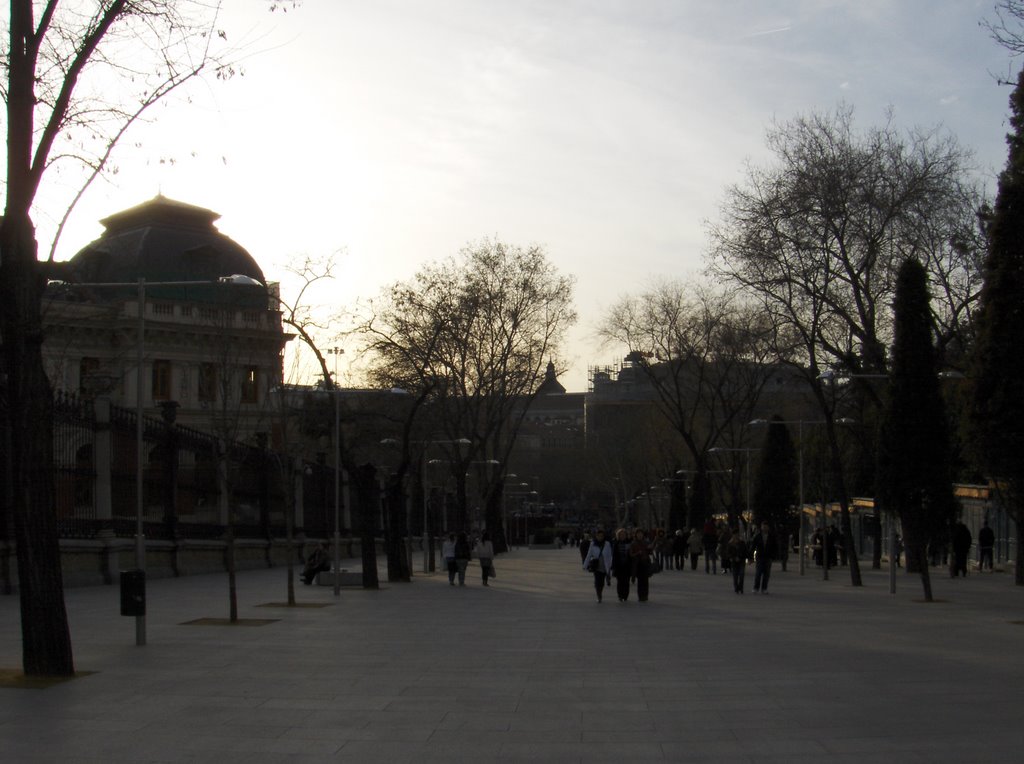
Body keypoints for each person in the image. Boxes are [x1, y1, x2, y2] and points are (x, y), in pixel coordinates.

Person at [582, 529, 613, 602]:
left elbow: (610, 555)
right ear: (596, 536)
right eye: (598, 536)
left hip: (605, 565)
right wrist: (585, 565)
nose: (600, 537)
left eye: (602, 536)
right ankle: (599, 596)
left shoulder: (607, 544)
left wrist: (610, 564)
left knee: (601, 582)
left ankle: (602, 587)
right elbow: (589, 555)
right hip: (596, 565)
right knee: (597, 581)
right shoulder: (593, 544)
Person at [750, 521, 779, 594]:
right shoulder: (758, 536)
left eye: (766, 526)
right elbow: (753, 546)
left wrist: (774, 555)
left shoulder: (771, 536)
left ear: (768, 527)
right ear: (761, 527)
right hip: (760, 557)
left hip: (768, 557)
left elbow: (775, 546)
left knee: (766, 574)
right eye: (763, 526)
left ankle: (764, 588)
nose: (765, 528)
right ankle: (756, 587)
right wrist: (750, 556)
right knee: (758, 573)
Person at [629, 528, 654, 602]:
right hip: (638, 564)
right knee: (640, 581)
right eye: (638, 534)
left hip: (645, 563)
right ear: (636, 535)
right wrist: (637, 553)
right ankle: (640, 596)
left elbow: (650, 553)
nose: (640, 535)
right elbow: (631, 554)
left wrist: (650, 549)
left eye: (641, 534)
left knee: (645, 581)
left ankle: (645, 595)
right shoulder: (633, 543)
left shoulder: (646, 542)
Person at [611, 528, 633, 602]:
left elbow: (631, 554)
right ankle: (620, 595)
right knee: (620, 582)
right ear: (618, 536)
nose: (622, 536)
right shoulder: (616, 544)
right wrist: (613, 566)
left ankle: (625, 596)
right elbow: (614, 556)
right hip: (619, 566)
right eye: (621, 535)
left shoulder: (629, 543)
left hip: (627, 565)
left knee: (626, 582)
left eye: (624, 534)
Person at [727, 528, 748, 594]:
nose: (736, 536)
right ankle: (736, 588)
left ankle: (740, 588)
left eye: (737, 534)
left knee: (741, 575)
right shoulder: (730, 543)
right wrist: (733, 557)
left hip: (741, 561)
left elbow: (745, 551)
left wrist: (743, 557)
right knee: (735, 576)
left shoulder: (742, 542)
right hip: (734, 561)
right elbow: (728, 553)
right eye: (735, 535)